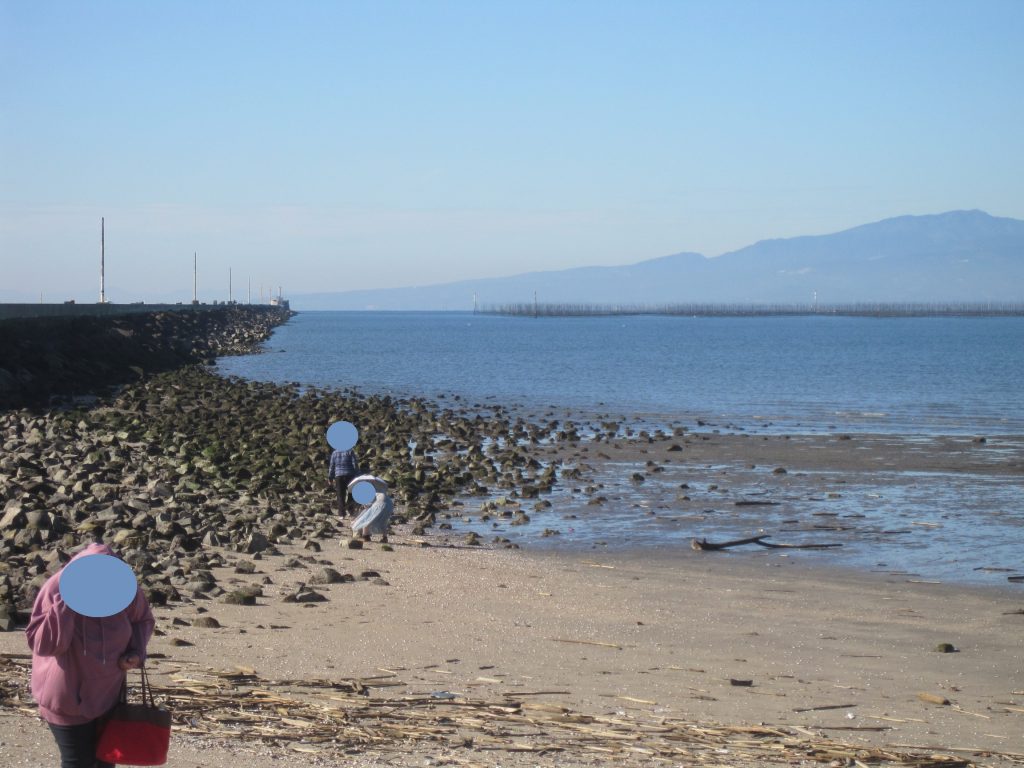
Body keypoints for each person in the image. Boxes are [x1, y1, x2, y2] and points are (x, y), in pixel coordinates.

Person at [26, 541, 155, 768]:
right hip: (65, 694)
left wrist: (135, 652)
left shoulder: (123, 587)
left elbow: (141, 620)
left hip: (109, 694)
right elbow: (44, 645)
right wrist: (66, 603)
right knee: (78, 762)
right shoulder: (57, 587)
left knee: (106, 760)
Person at [348, 474, 394, 543]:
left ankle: (366, 536)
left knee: (367, 519)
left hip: (380, 503)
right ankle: (385, 537)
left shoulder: (369, 490)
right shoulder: (379, 487)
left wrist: (356, 519)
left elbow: (367, 508)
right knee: (383, 522)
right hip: (389, 504)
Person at [329, 445, 361, 517]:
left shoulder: (334, 453)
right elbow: (354, 464)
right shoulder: (350, 451)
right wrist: (358, 475)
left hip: (339, 476)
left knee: (340, 495)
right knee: (351, 494)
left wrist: (330, 477)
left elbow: (332, 466)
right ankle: (350, 510)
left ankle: (341, 514)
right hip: (350, 475)